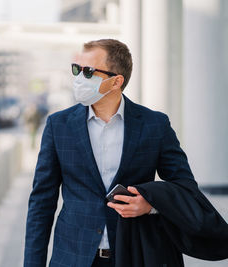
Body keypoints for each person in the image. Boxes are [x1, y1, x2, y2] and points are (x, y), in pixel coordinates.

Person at [23, 39, 203, 267]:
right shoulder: (58, 125)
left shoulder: (155, 124)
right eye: (76, 70)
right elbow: (41, 202)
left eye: (88, 72)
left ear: (116, 81)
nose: (79, 78)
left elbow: (185, 186)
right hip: (72, 258)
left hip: (134, 256)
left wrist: (151, 206)